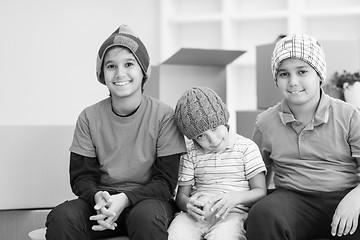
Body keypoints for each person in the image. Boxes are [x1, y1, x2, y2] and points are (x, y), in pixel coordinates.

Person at [45, 24, 187, 240]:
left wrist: (126, 198)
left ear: (143, 71)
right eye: (111, 66)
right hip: (102, 202)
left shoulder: (164, 116)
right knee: (62, 217)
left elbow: (166, 183)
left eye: (129, 64)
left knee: (146, 218)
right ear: (102, 74)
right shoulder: (89, 117)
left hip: (147, 202)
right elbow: (81, 177)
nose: (120, 73)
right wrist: (97, 197)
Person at [245, 34, 360, 240]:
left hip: (345, 196)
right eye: (284, 74)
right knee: (262, 215)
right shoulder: (265, 123)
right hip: (292, 198)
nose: (293, 82)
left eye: (302, 71)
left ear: (319, 74)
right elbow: (256, 178)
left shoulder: (350, 116)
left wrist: (356, 199)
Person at [167, 86, 267, 240]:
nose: (212, 140)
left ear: (224, 120)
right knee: (175, 235)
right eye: (201, 136)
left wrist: (234, 198)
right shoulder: (190, 153)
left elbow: (260, 191)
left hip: (233, 215)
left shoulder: (246, 148)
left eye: (214, 128)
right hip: (194, 216)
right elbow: (181, 196)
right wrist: (188, 204)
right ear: (193, 139)